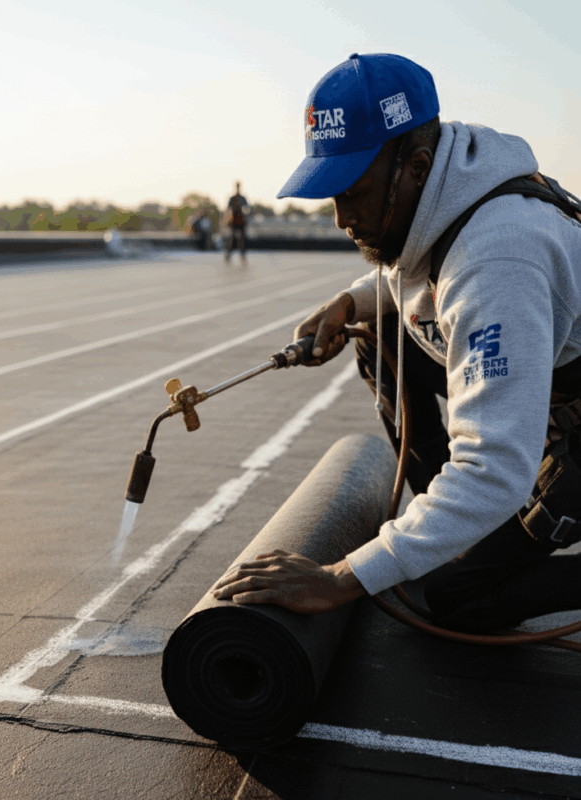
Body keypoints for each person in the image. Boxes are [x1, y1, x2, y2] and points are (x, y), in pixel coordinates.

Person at [211, 52, 581, 632]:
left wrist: (341, 577)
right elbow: (415, 260)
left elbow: (494, 467)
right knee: (381, 333)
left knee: (447, 596)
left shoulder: (498, 258)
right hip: (553, 388)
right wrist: (352, 302)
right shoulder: (447, 184)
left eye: (353, 193)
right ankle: (450, 515)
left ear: (416, 167)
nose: (339, 218)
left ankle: (463, 528)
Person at [224, 182, 250, 261]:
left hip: (241, 221)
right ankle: (228, 253)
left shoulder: (242, 198)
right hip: (233, 221)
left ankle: (242, 254)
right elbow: (228, 210)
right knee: (231, 238)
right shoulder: (233, 198)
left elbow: (247, 209)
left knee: (242, 239)